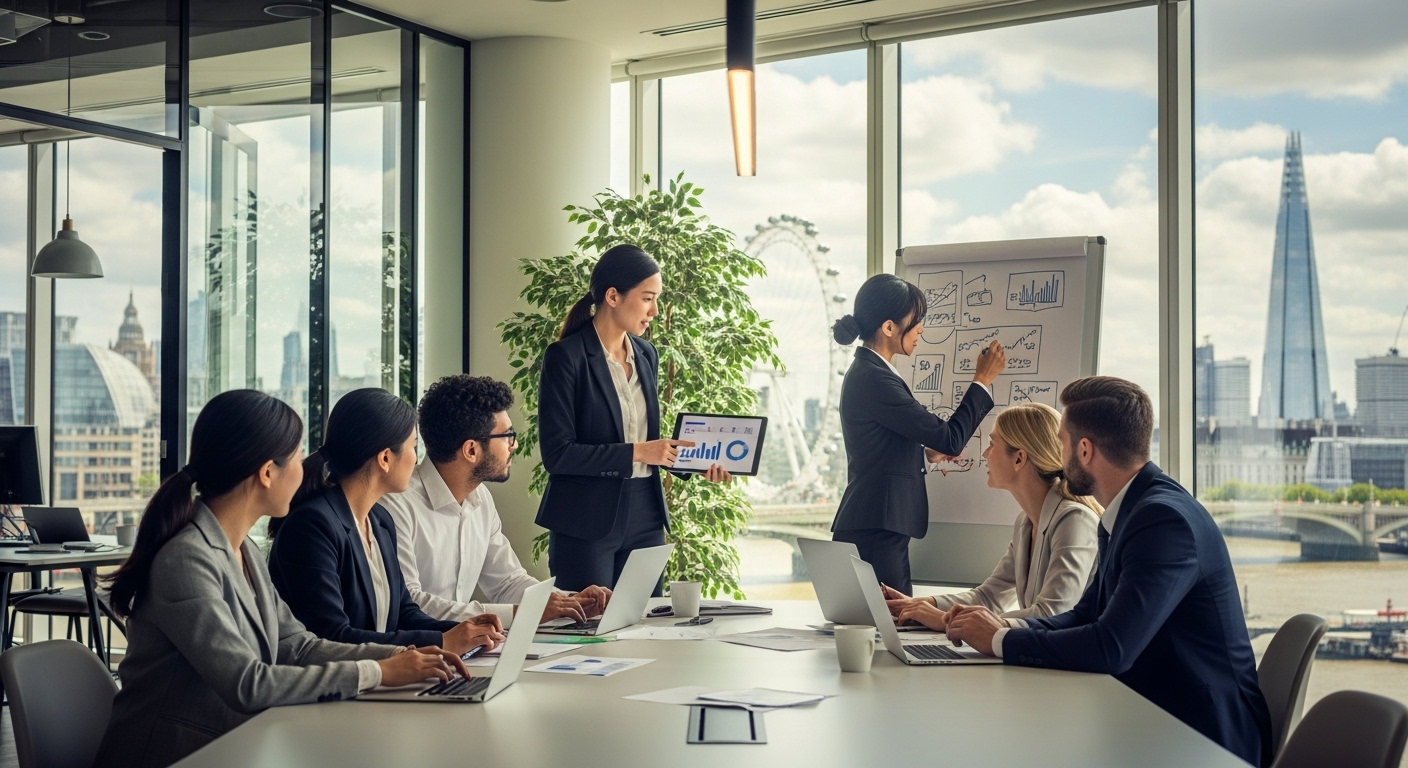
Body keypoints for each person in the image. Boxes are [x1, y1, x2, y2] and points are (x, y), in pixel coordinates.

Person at [96, 390, 468, 768]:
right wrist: (377, 672)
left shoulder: (245, 552)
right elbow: (248, 683)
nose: (306, 468)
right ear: (267, 472)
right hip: (174, 753)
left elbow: (300, 647)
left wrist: (399, 657)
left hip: (234, 742)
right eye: (295, 456)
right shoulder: (187, 560)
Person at [946, 376, 1273, 768]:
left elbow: (1111, 647)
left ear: (1084, 450)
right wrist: (1000, 631)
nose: (1058, 454)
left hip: (1204, 736)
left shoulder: (1162, 520)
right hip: (1152, 712)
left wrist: (1000, 640)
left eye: (1063, 442)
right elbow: (1085, 615)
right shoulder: (1130, 511)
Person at [535, 244, 730, 592]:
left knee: (646, 627)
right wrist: (638, 452)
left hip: (646, 515)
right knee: (592, 633)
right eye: (647, 298)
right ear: (613, 296)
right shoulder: (566, 357)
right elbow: (558, 454)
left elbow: (649, 442)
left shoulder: (646, 354)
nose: (655, 310)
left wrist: (697, 462)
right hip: (586, 521)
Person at [268, 388, 505, 653]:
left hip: (380, 679)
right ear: (384, 459)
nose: (416, 458)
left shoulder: (379, 521)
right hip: (335, 688)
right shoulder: (312, 527)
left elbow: (404, 612)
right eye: (413, 447)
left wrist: (460, 630)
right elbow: (330, 636)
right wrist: (441, 642)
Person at [383, 374, 613, 627]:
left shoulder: (480, 497)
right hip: (416, 653)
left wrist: (566, 602)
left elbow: (507, 582)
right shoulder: (395, 507)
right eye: (507, 436)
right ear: (471, 450)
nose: (513, 446)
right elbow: (412, 604)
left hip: (467, 649)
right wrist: (521, 614)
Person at [829, 273, 1005, 594]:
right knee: (895, 627)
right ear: (888, 327)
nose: (922, 328)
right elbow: (950, 438)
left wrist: (924, 454)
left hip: (876, 525)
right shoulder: (876, 379)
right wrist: (982, 380)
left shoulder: (872, 372)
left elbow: (880, 448)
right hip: (877, 529)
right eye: (916, 320)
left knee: (888, 628)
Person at [882, 403, 1101, 629]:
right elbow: (989, 596)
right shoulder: (1026, 522)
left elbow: (1053, 614)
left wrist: (946, 620)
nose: (985, 454)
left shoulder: (1074, 520)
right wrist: (921, 604)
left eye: (992, 444)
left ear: (1019, 459)